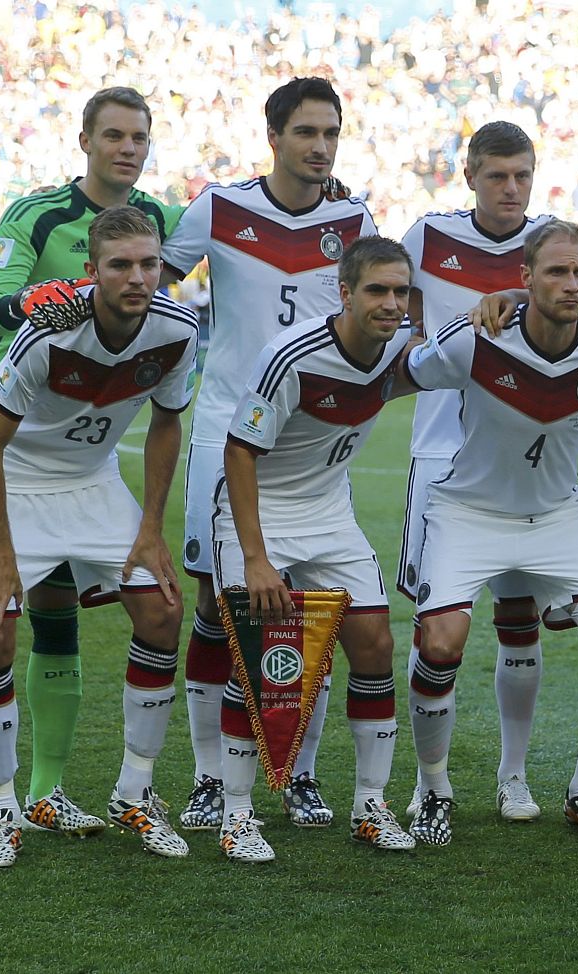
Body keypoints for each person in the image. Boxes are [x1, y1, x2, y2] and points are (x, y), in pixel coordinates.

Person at [0, 87, 182, 851]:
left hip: (82, 448)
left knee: (56, 614)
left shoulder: (159, 218)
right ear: (85, 141)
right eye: (113, 135)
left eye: (139, 136)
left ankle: (45, 793)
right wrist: (31, 302)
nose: (128, 148)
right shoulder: (38, 214)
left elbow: (234, 229)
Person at [159, 77, 377, 832]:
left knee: (314, 610)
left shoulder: (354, 219)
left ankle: (301, 775)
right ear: (274, 137)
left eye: (332, 134)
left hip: (312, 443)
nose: (321, 147)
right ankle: (209, 779)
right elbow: (153, 284)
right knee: (217, 611)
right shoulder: (218, 208)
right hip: (227, 433)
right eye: (307, 132)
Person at [398, 219, 578, 845]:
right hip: (468, 512)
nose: (570, 285)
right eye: (555, 272)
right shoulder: (476, 340)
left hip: (557, 519)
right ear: (526, 277)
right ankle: (433, 789)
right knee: (440, 644)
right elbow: (407, 369)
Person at [0, 206, 197, 867]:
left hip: (92, 480)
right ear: (92, 270)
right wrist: (2, 559)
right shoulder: (48, 333)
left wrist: (150, 530)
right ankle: (2, 811)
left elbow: (167, 424)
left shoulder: (178, 330)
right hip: (12, 478)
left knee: (162, 611)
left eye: (149, 264)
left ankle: (134, 793)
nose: (138, 278)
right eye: (120, 265)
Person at [212, 236, 419, 862]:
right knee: (256, 657)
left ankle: (370, 806)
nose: (391, 303)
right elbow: (239, 451)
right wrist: (255, 559)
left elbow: (464, 350)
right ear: (345, 293)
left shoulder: (400, 351)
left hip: (328, 514)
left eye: (401, 291)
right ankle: (236, 813)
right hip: (260, 514)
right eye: (377, 290)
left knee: (375, 645)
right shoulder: (292, 356)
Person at [398, 121, 552, 823]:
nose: (511, 188)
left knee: (519, 619)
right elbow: (393, 309)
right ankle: (429, 782)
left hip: (525, 461)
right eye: (497, 175)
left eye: (522, 174)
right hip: (441, 455)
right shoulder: (428, 237)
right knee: (436, 628)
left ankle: (513, 776)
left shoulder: (552, 242)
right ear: (469, 176)